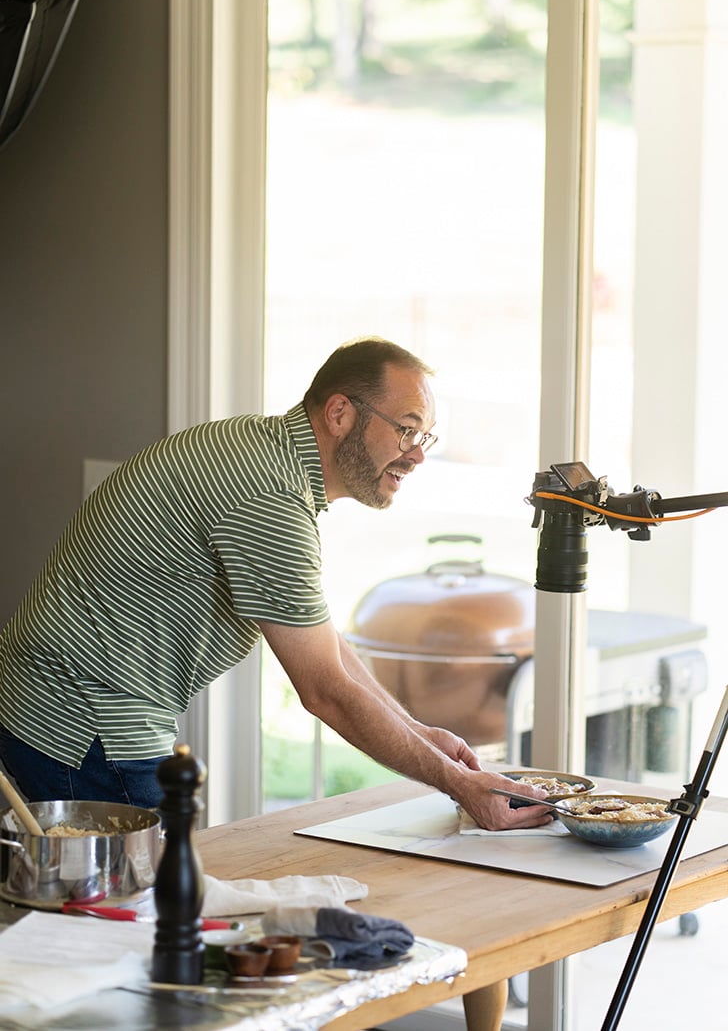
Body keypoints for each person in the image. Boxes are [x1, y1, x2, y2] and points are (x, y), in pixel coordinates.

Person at [0, 336, 552, 830]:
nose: (418, 455)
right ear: (340, 413)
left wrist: (417, 732)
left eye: (425, 436)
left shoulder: (264, 455)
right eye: (407, 429)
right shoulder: (270, 497)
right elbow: (325, 690)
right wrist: (461, 784)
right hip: (84, 723)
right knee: (143, 904)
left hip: (61, 705)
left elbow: (322, 641)